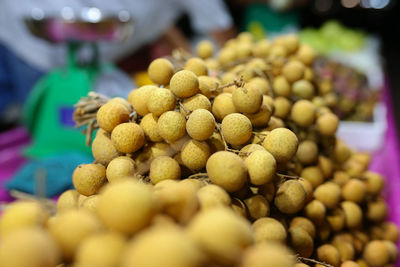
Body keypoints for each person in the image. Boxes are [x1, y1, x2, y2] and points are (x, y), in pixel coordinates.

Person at [0, 0, 234, 126]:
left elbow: (218, 31)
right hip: (29, 44)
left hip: (96, 47)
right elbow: (221, 30)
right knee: (41, 124)